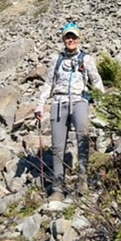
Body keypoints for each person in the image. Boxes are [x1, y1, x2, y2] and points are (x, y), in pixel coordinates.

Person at [34, 22, 104, 198]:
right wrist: (40, 104)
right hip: (59, 103)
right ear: (63, 39)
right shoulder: (56, 60)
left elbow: (96, 80)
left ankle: (83, 181)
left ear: (79, 39)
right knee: (58, 147)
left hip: (79, 101)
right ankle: (58, 188)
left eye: (73, 37)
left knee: (83, 138)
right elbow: (48, 83)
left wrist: (102, 102)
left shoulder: (86, 59)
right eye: (67, 37)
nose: (70, 40)